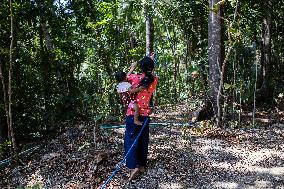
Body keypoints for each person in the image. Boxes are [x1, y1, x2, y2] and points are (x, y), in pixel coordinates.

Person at [124, 54, 158, 181]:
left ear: (141, 68)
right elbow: (150, 74)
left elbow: (123, 81)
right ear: (151, 68)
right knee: (143, 140)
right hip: (145, 115)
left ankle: (133, 167)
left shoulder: (134, 78)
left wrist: (132, 68)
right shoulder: (154, 79)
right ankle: (142, 165)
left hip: (133, 114)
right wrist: (151, 62)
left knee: (131, 139)